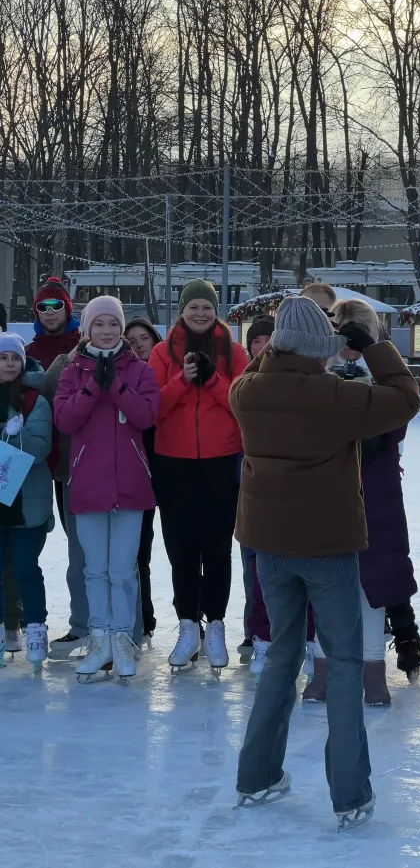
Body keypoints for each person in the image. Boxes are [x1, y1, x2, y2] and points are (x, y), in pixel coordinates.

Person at [230, 295, 420, 829]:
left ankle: (257, 774)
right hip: (328, 546)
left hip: (269, 544)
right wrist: (375, 345)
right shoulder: (334, 395)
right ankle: (350, 792)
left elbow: (265, 368)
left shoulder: (246, 390)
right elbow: (406, 398)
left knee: (283, 655)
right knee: (341, 663)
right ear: (321, 348)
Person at [54, 296, 159, 681]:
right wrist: (91, 389)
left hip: (130, 484)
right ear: (86, 330)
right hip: (89, 484)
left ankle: (122, 641)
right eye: (99, 324)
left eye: (113, 324)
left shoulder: (140, 370)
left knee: (123, 570)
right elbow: (65, 419)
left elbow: (146, 416)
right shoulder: (72, 370)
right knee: (95, 570)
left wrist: (115, 386)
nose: (106, 331)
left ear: (121, 328)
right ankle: (99, 640)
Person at [148, 279, 248, 671]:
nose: (201, 313)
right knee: (181, 548)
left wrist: (212, 380)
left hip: (222, 461)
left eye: (207, 307)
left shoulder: (235, 352)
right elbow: (152, 408)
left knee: (217, 546)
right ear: (182, 310)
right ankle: (188, 624)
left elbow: (242, 403)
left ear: (216, 310)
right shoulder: (161, 352)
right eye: (194, 307)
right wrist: (182, 380)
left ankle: (216, 622)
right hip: (173, 462)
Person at [328, 299, 420, 705]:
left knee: (384, 560)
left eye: (357, 334)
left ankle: (404, 630)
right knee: (334, 568)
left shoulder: (384, 367)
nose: (348, 344)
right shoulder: (323, 366)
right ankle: (330, 658)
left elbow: (402, 412)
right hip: (330, 480)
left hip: (377, 478)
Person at [21, 277, 84, 659]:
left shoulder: (81, 348)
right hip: (36, 466)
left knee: (83, 550)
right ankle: (18, 623)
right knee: (26, 547)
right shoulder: (24, 353)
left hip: (75, 462)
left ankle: (91, 623)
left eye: (56, 306)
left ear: (68, 310)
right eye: (43, 308)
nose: (50, 313)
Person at [0, 333, 53, 672]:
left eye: (14, 358)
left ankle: (35, 629)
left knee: (24, 568)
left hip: (26, 502)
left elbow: (38, 449)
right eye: (3, 358)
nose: (9, 364)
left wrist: (13, 433)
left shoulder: (36, 401)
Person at [237, 315, 275, 664]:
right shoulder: (244, 383)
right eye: (257, 341)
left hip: (288, 488)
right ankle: (256, 630)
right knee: (253, 561)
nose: (262, 348)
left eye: (269, 340)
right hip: (250, 482)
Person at [125, 317, 163, 643]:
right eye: (132, 340)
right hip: (139, 474)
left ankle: (196, 620)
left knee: (188, 550)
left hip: (174, 468)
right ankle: (143, 618)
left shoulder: (168, 372)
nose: (138, 345)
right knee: (139, 552)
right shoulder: (125, 378)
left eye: (143, 339)